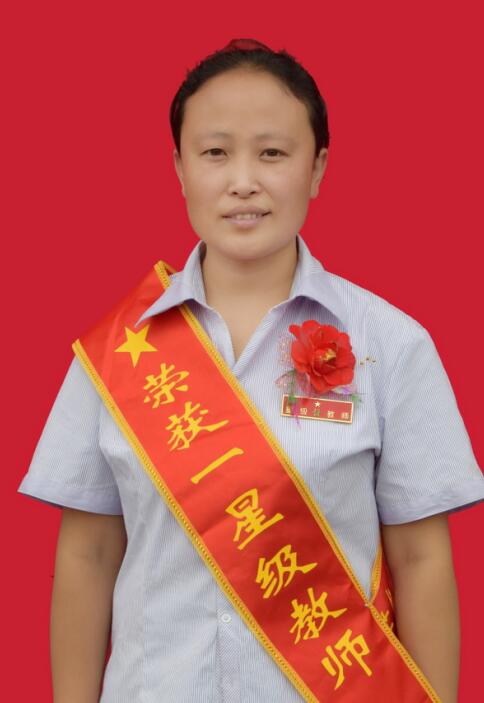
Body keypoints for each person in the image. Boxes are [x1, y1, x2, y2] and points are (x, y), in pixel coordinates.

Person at [17, 38, 484, 703]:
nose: (243, 180)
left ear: (317, 168)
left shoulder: (390, 343)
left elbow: (422, 558)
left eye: (272, 153)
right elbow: (87, 556)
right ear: (179, 168)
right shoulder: (118, 352)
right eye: (215, 153)